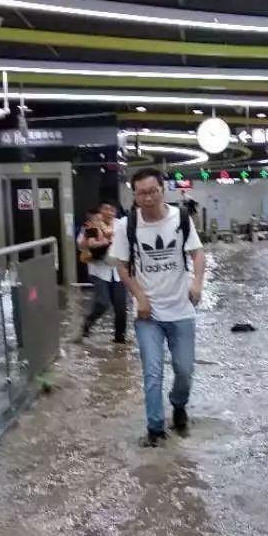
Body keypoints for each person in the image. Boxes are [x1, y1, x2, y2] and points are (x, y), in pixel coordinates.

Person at [110, 167, 206, 447]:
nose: (149, 197)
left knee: (184, 370)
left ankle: (178, 404)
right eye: (142, 193)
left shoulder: (181, 218)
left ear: (163, 190)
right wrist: (140, 297)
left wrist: (197, 283)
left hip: (181, 310)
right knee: (152, 372)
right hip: (148, 314)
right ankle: (154, 429)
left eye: (154, 191)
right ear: (135, 195)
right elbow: (123, 267)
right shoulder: (126, 226)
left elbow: (197, 253)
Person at [79, 202, 127, 343]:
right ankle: (87, 323)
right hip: (98, 270)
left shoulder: (121, 225)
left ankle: (120, 340)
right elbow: (81, 245)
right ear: (100, 210)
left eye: (112, 209)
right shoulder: (91, 225)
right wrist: (95, 240)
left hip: (118, 271)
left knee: (120, 307)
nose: (109, 212)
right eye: (106, 208)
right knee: (102, 302)